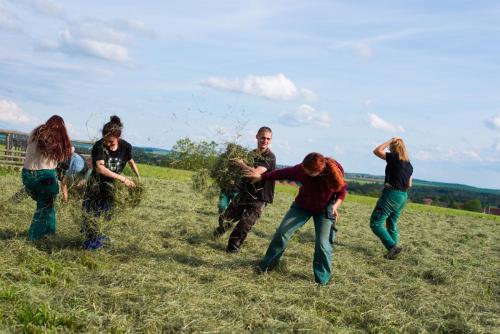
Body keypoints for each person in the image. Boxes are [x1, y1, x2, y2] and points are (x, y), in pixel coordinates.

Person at [246, 152, 346, 285]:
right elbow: (283, 173)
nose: (304, 172)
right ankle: (266, 266)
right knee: (282, 232)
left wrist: (336, 205)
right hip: (302, 206)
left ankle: (322, 280)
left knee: (323, 244)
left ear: (319, 171)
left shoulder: (334, 171)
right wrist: (262, 177)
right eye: (304, 169)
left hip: (325, 209)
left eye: (308, 172)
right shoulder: (302, 169)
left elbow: (342, 190)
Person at [213, 127, 276, 253]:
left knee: (245, 223)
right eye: (263, 137)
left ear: (271, 140)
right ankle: (218, 232)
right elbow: (239, 173)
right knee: (225, 218)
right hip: (244, 193)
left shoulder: (270, 157)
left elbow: (254, 173)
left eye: (268, 139)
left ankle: (232, 249)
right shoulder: (251, 154)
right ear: (257, 136)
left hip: (259, 197)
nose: (265, 141)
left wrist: (241, 164)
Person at [82, 115, 140, 250]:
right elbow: (101, 168)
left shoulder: (126, 147)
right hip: (95, 187)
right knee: (91, 217)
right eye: (106, 141)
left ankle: (98, 242)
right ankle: (90, 246)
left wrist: (138, 177)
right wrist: (123, 179)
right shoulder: (99, 146)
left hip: (111, 189)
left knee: (106, 216)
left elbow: (130, 161)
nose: (107, 144)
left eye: (111, 142)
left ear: (118, 138)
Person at [22, 115, 73, 241]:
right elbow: (61, 159)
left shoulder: (35, 132)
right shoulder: (57, 139)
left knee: (48, 205)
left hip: (27, 175)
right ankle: (33, 239)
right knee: (44, 208)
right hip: (45, 177)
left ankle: (50, 233)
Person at [370, 137, 413, 260]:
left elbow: (377, 151)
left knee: (376, 223)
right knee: (391, 223)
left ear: (393, 148)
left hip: (392, 194)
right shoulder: (409, 164)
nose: (388, 149)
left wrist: (390, 140)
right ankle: (393, 253)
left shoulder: (395, 158)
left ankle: (392, 247)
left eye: (390, 147)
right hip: (403, 196)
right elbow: (409, 184)